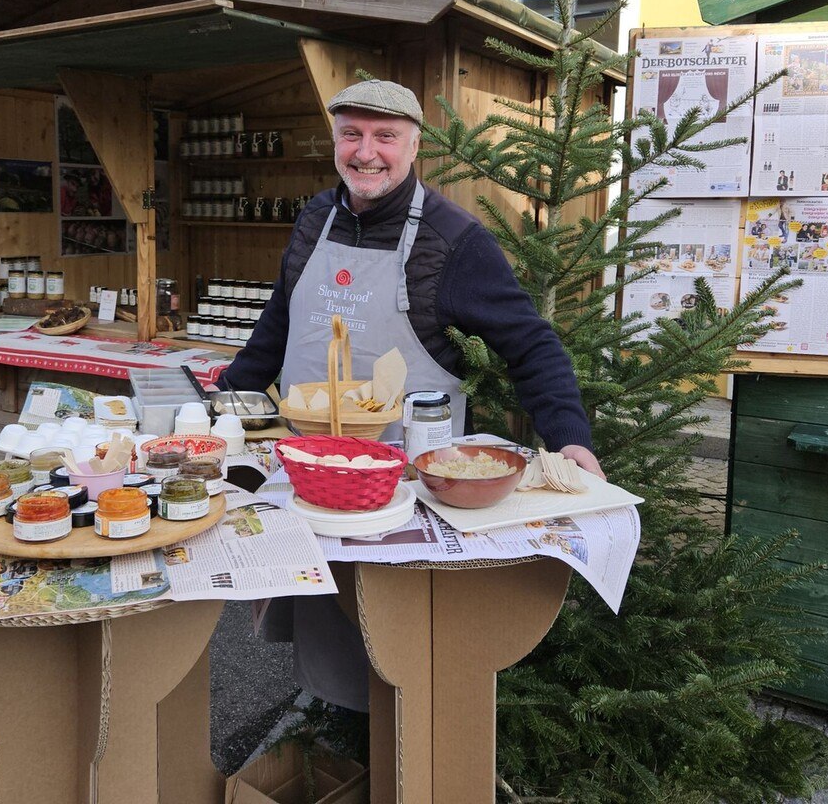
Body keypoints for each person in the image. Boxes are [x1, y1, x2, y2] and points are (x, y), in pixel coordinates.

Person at [220, 79, 600, 712]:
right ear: (336, 141)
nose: (366, 152)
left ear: (414, 145)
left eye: (384, 137)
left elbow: (531, 345)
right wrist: (222, 403)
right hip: (311, 480)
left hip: (406, 498)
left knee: (398, 661)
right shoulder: (315, 218)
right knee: (325, 641)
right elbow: (280, 325)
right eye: (352, 134)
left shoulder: (453, 241)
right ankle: (332, 740)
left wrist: (569, 440)